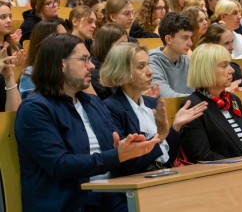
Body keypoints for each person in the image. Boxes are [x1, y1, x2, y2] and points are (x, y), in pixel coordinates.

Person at [15, 33, 161, 211]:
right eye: (84, 60)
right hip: (69, 204)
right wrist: (117, 155)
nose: (91, 66)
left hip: (112, 199)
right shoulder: (35, 109)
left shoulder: (93, 103)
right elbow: (60, 166)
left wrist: (128, 147)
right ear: (61, 64)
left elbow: (115, 150)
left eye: (90, 59)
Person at [100, 42, 208, 171]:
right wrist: (160, 136)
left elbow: (169, 158)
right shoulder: (110, 108)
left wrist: (175, 127)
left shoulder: (152, 103)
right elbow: (127, 164)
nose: (150, 72)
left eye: (148, 64)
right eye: (141, 67)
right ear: (122, 71)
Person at [181, 43, 242, 162]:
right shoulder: (194, 105)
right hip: (224, 174)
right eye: (224, 66)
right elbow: (202, 156)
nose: (231, 70)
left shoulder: (233, 99)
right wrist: (241, 164)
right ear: (207, 70)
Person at [149, 12, 195, 98]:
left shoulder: (187, 61)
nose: (190, 43)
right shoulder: (151, 63)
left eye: (190, 38)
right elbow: (167, 96)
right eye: (185, 38)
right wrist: (200, 101)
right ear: (169, 39)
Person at [19, 20, 67, 98]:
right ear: (46, 43)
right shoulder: (30, 74)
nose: (69, 41)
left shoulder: (68, 66)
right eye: (63, 38)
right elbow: (32, 107)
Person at [199, 24, 242, 90]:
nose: (232, 48)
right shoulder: (202, 71)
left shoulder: (234, 68)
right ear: (213, 46)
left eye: (232, 42)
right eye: (227, 43)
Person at [91, 23, 128, 100]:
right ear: (106, 44)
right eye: (121, 44)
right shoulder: (94, 72)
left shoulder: (121, 66)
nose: (127, 48)